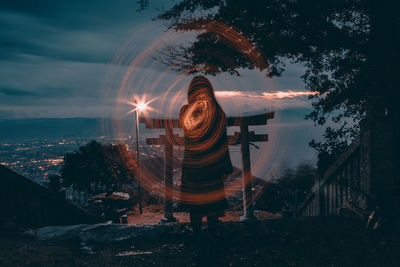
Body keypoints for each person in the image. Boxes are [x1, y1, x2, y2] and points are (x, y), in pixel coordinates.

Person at [179, 76, 233, 236]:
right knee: (212, 202)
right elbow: (222, 139)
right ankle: (213, 235)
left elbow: (186, 129)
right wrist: (225, 165)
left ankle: (197, 234)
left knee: (195, 203)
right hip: (213, 165)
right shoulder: (217, 111)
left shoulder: (185, 111)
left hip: (192, 166)